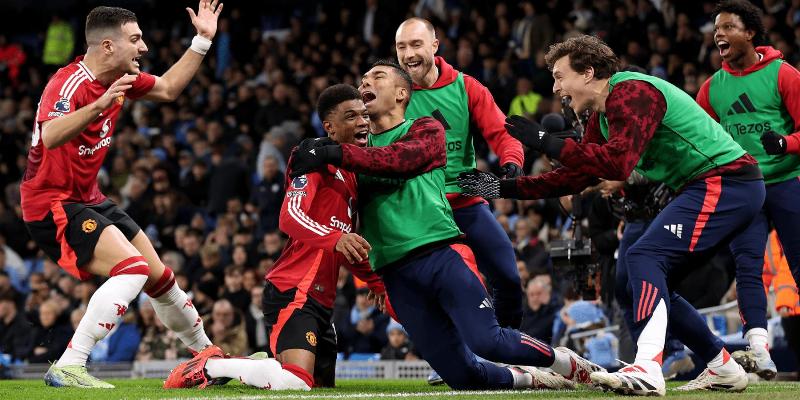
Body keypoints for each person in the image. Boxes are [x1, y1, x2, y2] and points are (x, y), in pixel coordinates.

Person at [458, 35, 757, 396]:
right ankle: (721, 365)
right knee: (646, 279)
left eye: (559, 76)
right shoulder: (603, 116)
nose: (555, 88)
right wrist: (500, 189)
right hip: (709, 185)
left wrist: (546, 141)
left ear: (587, 73)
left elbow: (618, 163)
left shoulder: (631, 92)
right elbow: (576, 176)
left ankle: (648, 368)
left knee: (644, 256)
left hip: (727, 181)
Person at [286, 60, 602, 391]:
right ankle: (531, 379)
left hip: (438, 256)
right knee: (462, 377)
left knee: (488, 341)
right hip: (395, 275)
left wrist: (331, 153)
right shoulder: (352, 152)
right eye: (362, 78)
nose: (365, 83)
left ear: (401, 93)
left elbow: (399, 161)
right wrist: (308, 152)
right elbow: (314, 176)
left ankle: (567, 362)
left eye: (377, 77)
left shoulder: (426, 130)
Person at [20, 2, 223, 388]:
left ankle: (205, 357)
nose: (144, 47)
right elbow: (49, 135)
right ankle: (71, 364)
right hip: (52, 204)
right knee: (132, 269)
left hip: (89, 198)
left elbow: (168, 88)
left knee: (160, 277)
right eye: (135, 39)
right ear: (108, 46)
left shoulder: (123, 78)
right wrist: (98, 105)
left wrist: (201, 41)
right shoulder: (68, 83)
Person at [164, 84, 385, 391]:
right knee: (296, 384)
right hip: (292, 289)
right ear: (330, 128)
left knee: (319, 390)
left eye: (363, 115)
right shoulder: (314, 163)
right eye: (351, 116)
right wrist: (335, 238)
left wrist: (376, 283)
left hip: (321, 299)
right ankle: (210, 364)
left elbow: (346, 243)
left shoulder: (352, 177)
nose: (363, 122)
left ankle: (260, 365)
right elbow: (289, 217)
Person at [395, 18, 525, 329]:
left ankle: (508, 346)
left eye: (416, 45)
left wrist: (512, 161)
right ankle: (458, 358)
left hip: (465, 200)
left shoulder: (466, 87)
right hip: (419, 208)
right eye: (401, 47)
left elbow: (502, 132)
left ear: (434, 46)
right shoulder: (393, 93)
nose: (409, 54)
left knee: (507, 274)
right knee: (446, 285)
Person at [696, 0, 800, 379]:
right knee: (748, 267)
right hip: (744, 189)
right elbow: (699, 143)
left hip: (789, 181)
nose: (718, 33)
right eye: (715, 28)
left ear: (750, 32)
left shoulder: (784, 75)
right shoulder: (710, 90)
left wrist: (785, 144)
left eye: (727, 26)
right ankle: (759, 350)